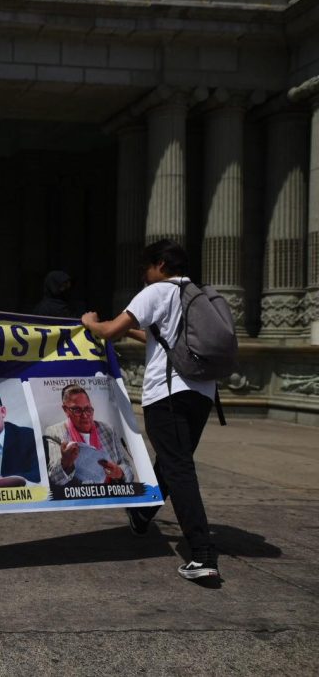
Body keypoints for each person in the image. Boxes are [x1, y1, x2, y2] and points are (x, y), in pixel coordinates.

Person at [81, 239, 220, 581]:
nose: (144, 275)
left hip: (168, 393)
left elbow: (110, 332)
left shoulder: (156, 291)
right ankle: (142, 516)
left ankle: (202, 555)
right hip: (202, 391)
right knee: (173, 460)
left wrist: (91, 323)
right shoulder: (196, 294)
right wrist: (136, 331)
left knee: (179, 468)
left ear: (159, 265)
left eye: (145, 268)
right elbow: (165, 340)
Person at [44, 383, 134, 486]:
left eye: (88, 409)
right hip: (79, 499)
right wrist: (65, 463)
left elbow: (129, 471)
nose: (85, 415)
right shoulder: (55, 433)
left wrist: (120, 473)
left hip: (110, 496)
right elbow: (54, 480)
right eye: (77, 410)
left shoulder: (108, 430)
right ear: (65, 409)